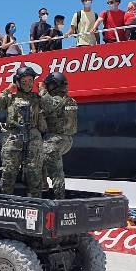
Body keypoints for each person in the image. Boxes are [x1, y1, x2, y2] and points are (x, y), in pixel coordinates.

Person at [0, 65, 45, 197]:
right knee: (9, 171)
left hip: (33, 138)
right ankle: (6, 200)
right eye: (24, 81)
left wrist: (43, 91)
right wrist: (7, 90)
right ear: (18, 82)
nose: (28, 84)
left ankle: (36, 202)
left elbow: (50, 107)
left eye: (30, 81)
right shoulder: (11, 97)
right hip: (13, 137)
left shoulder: (38, 98)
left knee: (34, 171)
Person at [40, 72, 78, 200]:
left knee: (55, 173)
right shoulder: (71, 100)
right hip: (67, 140)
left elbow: (44, 102)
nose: (48, 88)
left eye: (49, 85)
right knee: (41, 158)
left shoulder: (55, 99)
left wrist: (42, 90)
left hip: (54, 140)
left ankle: (58, 199)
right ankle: (43, 185)